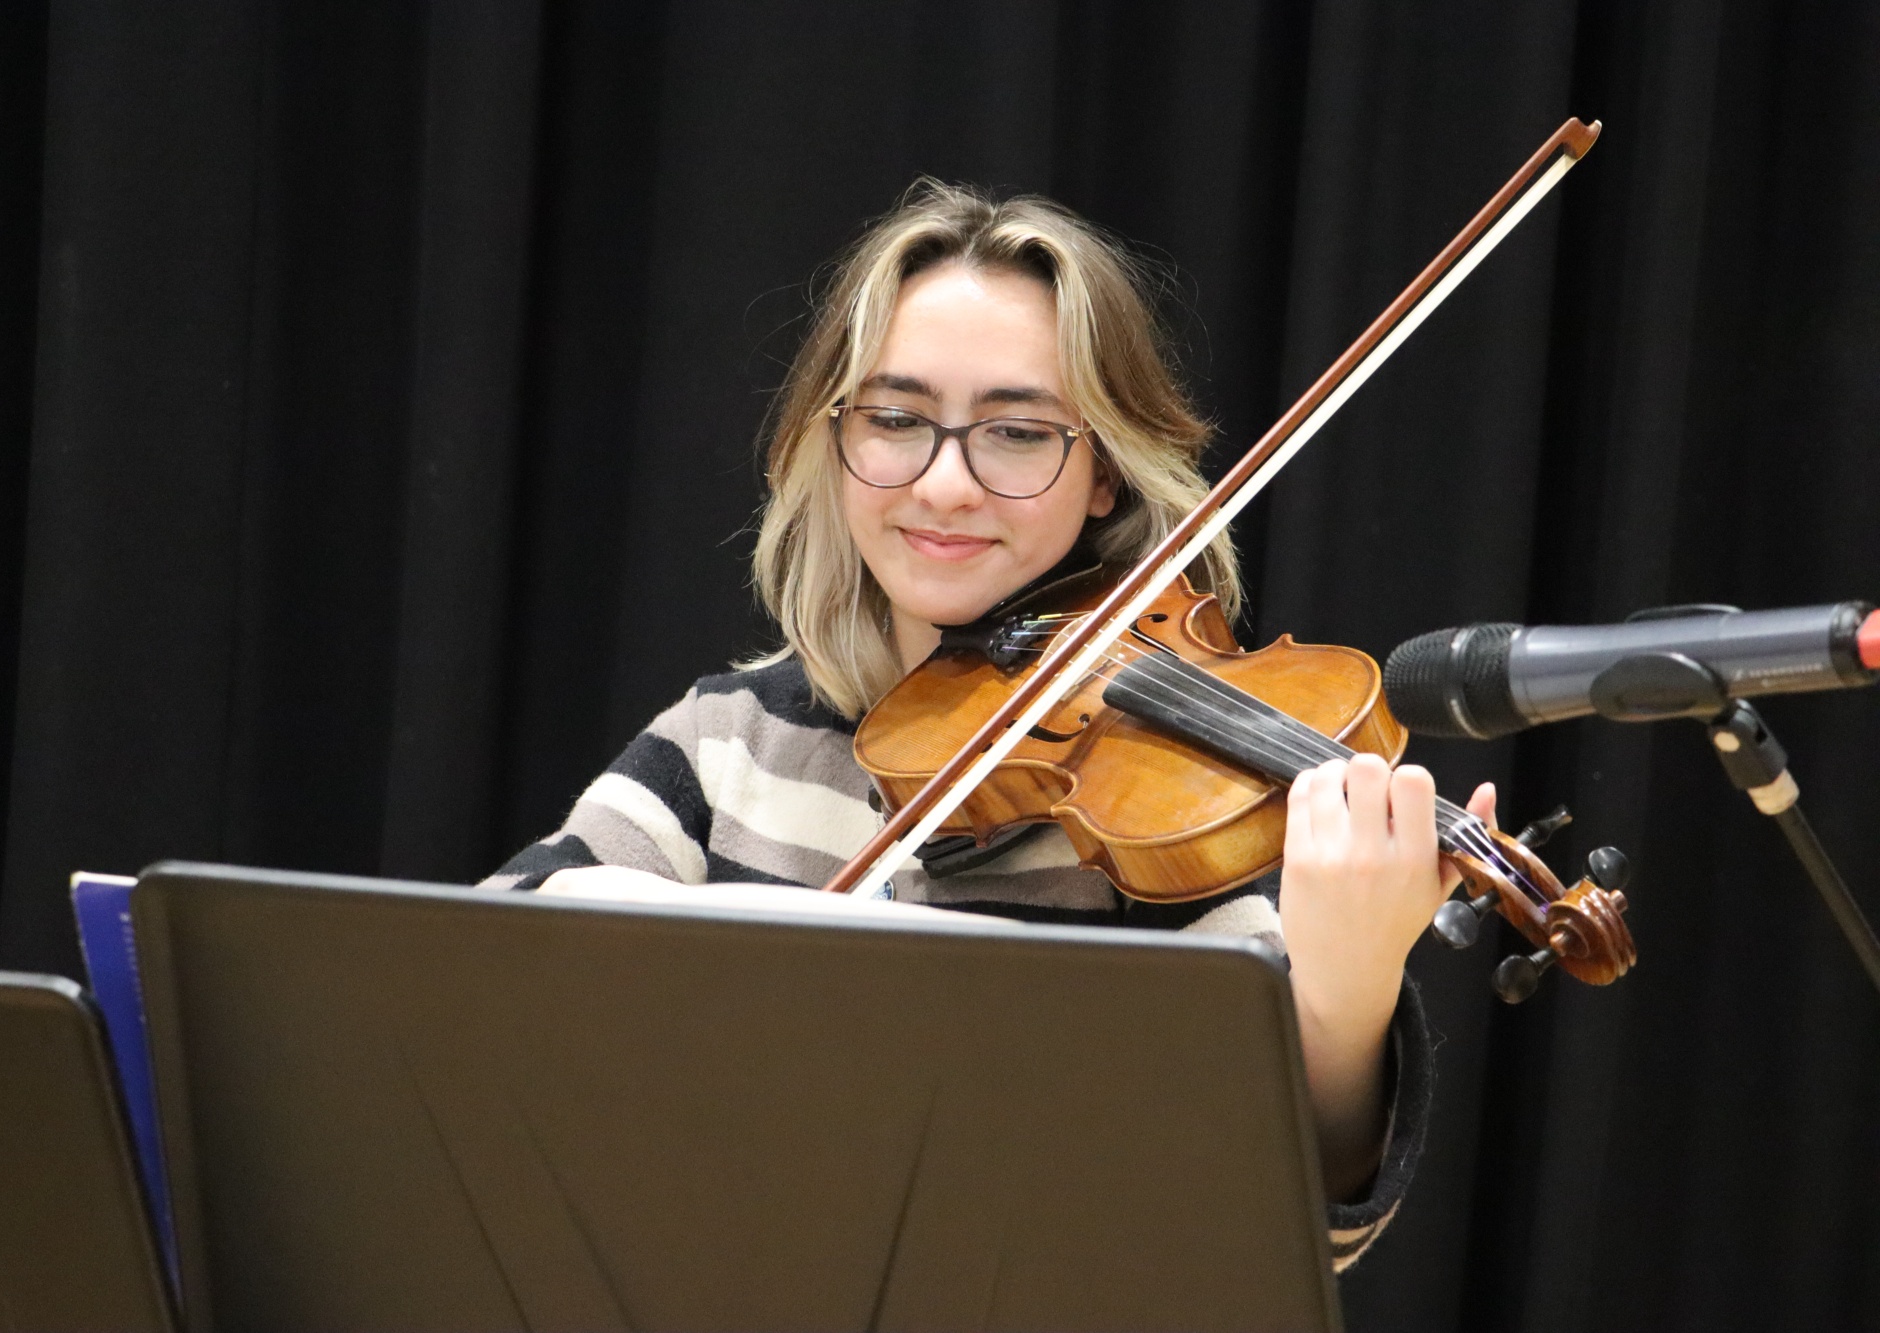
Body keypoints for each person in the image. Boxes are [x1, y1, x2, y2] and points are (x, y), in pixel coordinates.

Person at [484, 180, 1496, 1270]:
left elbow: (1281, 1223)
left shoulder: (1183, 811)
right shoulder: (732, 739)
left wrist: (1344, 998)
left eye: (1015, 434)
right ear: (833, 439)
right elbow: (483, 975)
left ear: (1105, 468)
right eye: (894, 419)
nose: (945, 483)